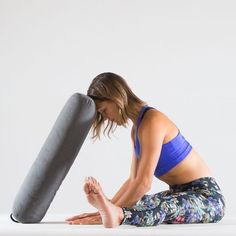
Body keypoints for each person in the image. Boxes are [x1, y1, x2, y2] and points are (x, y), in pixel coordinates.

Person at [66, 72, 226, 228]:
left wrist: (111, 210)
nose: (106, 117)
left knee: (162, 207)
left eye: (104, 110)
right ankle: (112, 212)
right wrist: (106, 206)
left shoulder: (153, 121)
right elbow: (133, 180)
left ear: (115, 98)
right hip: (180, 193)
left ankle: (117, 215)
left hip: (208, 197)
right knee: (143, 202)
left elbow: (144, 183)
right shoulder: (136, 129)